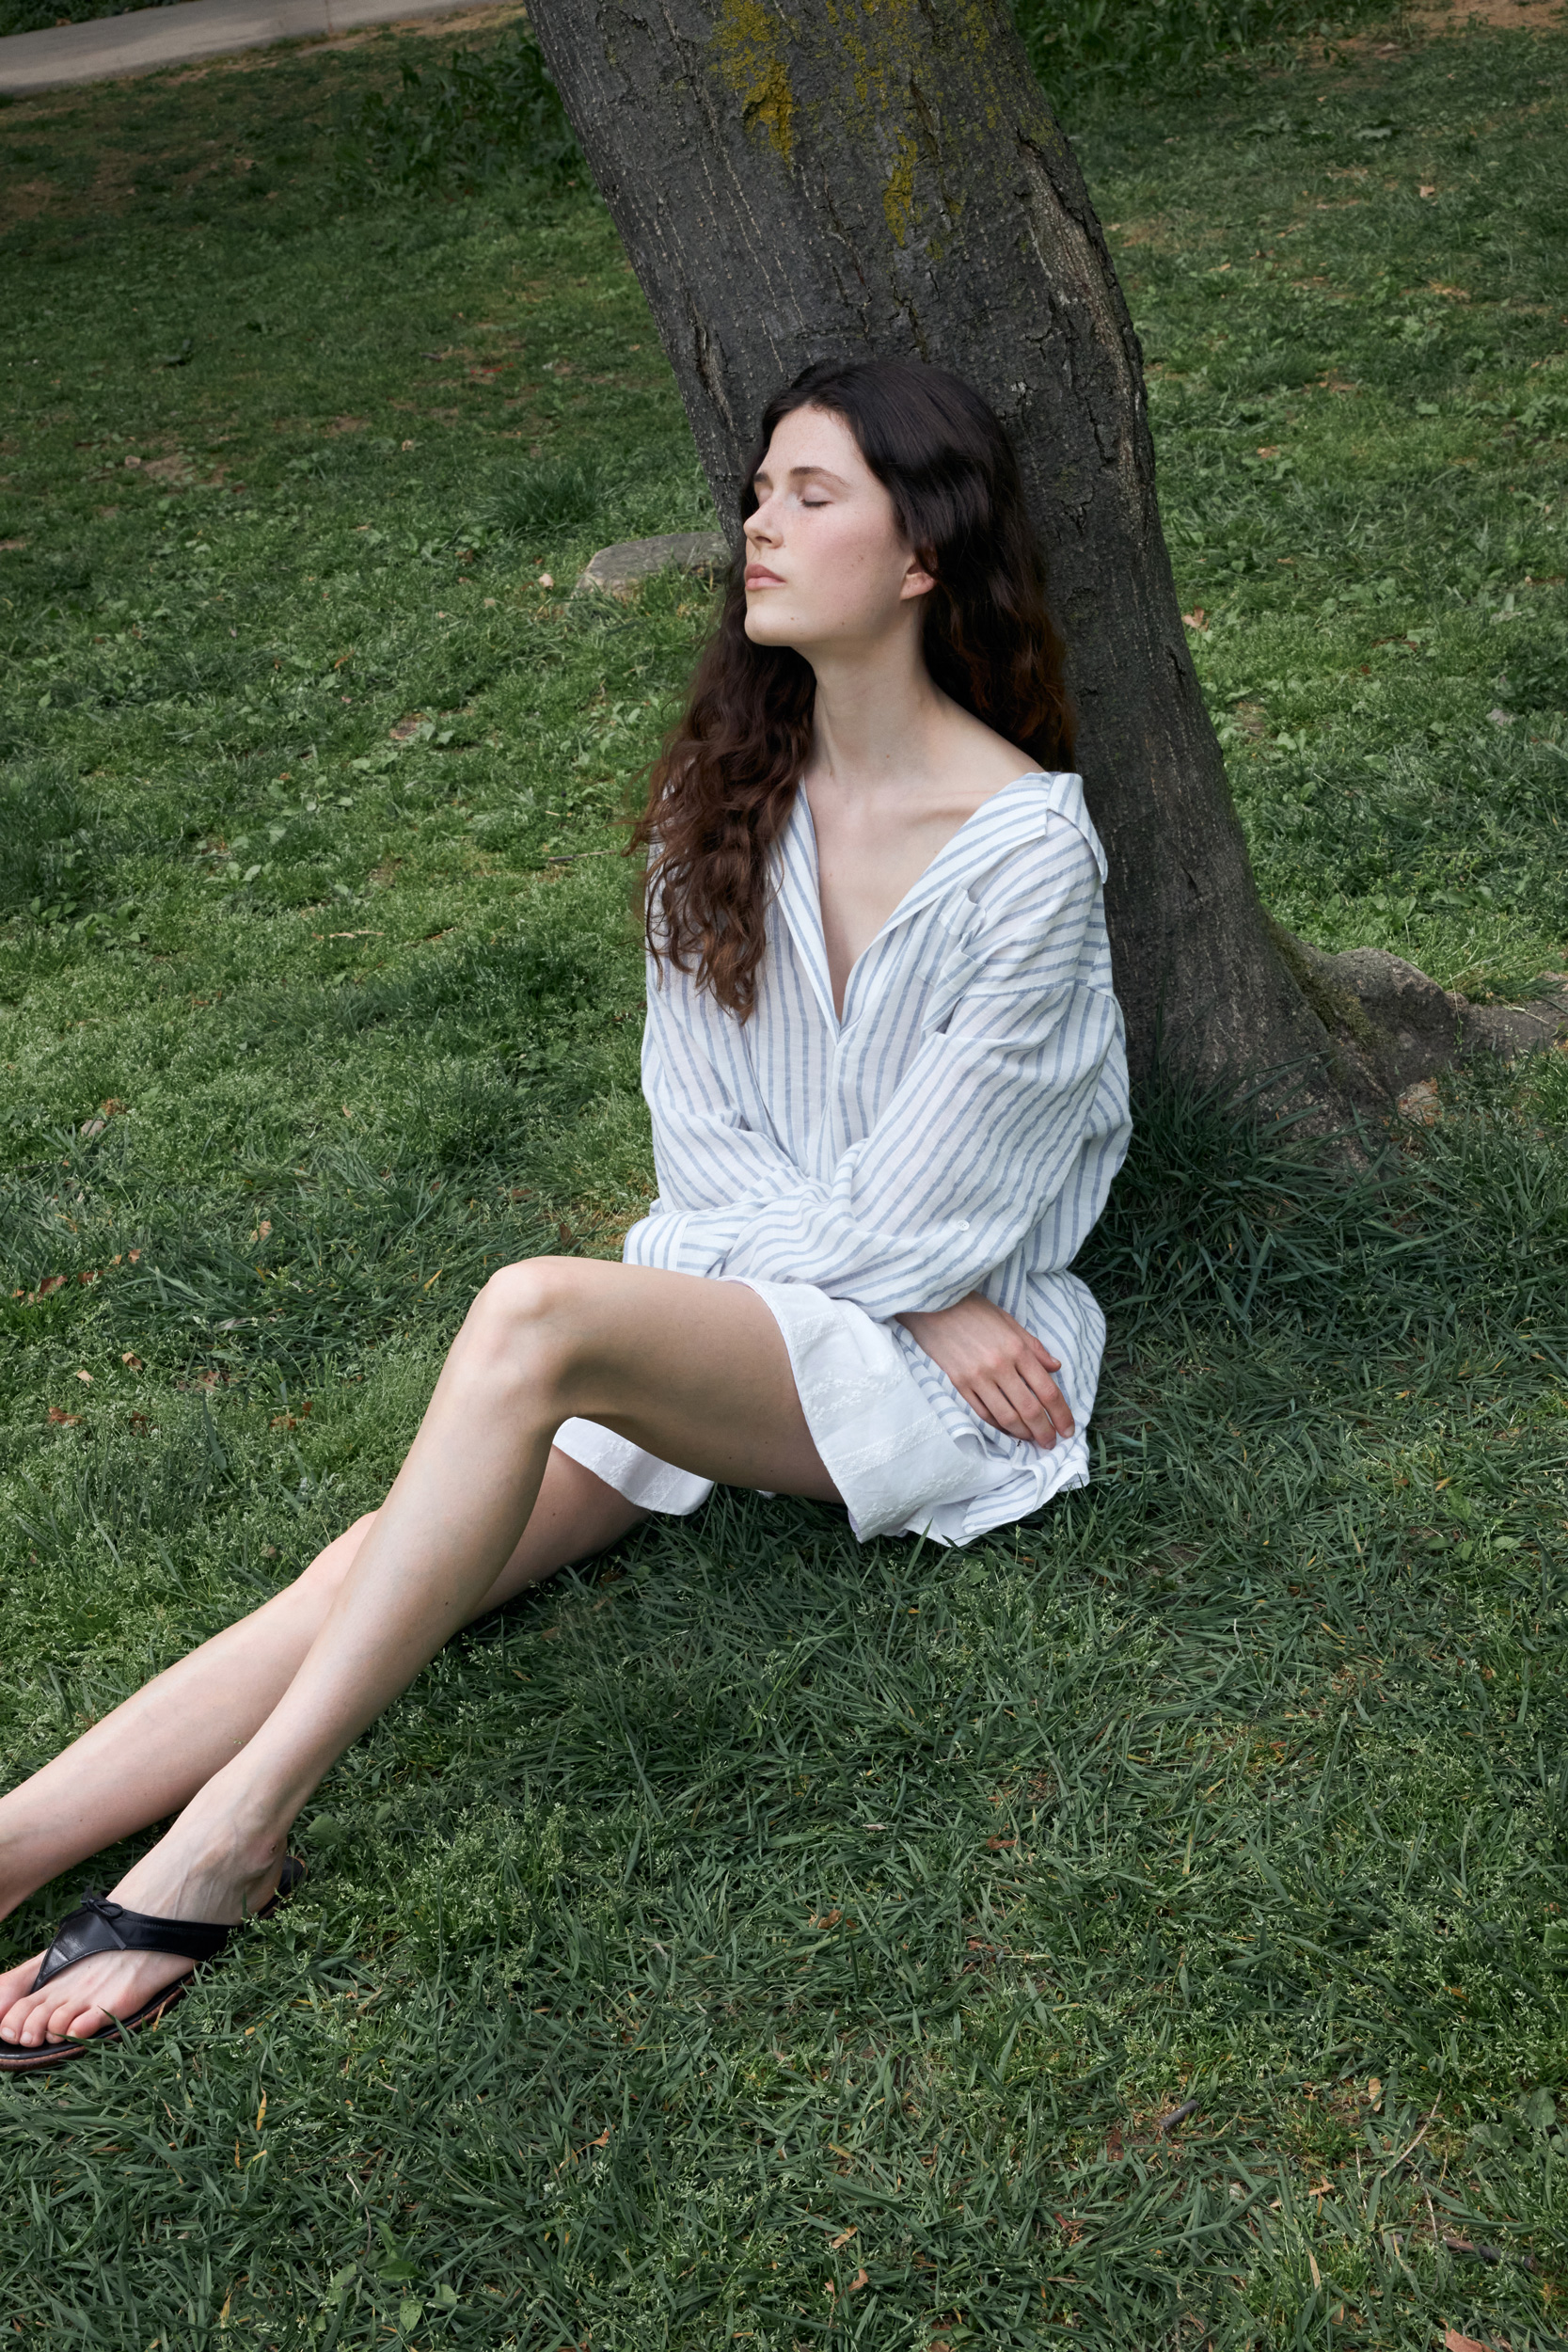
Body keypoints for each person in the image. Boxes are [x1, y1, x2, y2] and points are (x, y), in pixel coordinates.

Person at [0, 358, 1130, 2069]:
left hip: (944, 1379)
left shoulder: (1029, 851)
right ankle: (19, 1838)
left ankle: (229, 1841)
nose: (757, 525)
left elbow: (944, 1206)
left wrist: (924, 1290)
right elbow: (709, 1154)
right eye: (757, 491)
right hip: (774, 1312)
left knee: (539, 1312)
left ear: (922, 554)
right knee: (380, 1559)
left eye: (810, 494)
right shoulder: (722, 797)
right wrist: (909, 1275)